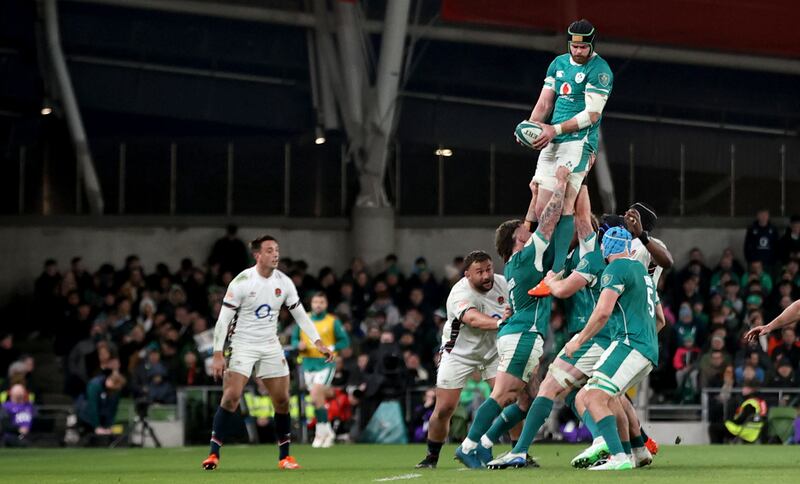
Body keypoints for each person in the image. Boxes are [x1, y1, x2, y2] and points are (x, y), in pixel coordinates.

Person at [454, 173, 564, 469]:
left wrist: (534, 192)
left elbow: (529, 224)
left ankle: (487, 444)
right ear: (517, 240)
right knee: (503, 394)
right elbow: (549, 222)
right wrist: (562, 184)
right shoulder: (528, 257)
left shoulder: (516, 260)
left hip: (520, 333)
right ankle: (468, 446)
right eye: (524, 231)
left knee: (528, 400)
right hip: (524, 334)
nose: (529, 231)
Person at [201, 235, 332, 471]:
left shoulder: (284, 282)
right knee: (231, 397)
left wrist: (318, 342)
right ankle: (213, 454)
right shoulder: (241, 282)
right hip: (243, 343)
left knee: (282, 400)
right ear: (257, 255)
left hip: (270, 344)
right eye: (270, 250)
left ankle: (285, 457)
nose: (275, 255)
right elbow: (223, 321)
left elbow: (300, 314)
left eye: (277, 250)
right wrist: (218, 353)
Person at [565, 226, 660, 471]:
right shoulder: (643, 272)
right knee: (610, 397)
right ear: (629, 247)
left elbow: (603, 311)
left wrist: (578, 340)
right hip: (646, 348)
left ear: (605, 248)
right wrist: (645, 341)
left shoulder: (615, 268)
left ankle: (617, 457)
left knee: (590, 396)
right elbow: (661, 319)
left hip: (629, 344)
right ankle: (636, 452)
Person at [524, 18, 613, 274]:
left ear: (591, 45)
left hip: (580, 142)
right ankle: (551, 258)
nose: (577, 51)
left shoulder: (601, 71)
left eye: (583, 48)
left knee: (564, 204)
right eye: (574, 47)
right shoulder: (558, 64)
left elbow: (592, 115)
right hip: (553, 139)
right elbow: (544, 104)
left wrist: (555, 129)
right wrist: (531, 128)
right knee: (543, 209)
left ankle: (557, 268)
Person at [414, 250, 509, 469]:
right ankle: (432, 456)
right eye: (479, 272)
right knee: (445, 408)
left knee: (508, 398)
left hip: (493, 350)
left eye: (488, 269)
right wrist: (500, 324)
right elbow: (472, 318)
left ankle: (518, 451)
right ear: (467, 274)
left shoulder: (502, 283)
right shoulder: (459, 292)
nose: (486, 276)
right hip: (458, 353)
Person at [291, 291, 350, 448]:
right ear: (311, 303)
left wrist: (332, 347)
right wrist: (298, 344)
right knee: (317, 399)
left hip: (325, 362)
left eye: (321, 302)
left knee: (316, 392)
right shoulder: (304, 319)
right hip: (307, 363)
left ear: (326, 304)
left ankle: (319, 432)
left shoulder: (332, 322)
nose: (318, 305)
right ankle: (327, 431)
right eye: (316, 302)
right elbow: (294, 338)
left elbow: (345, 341)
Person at [76, 371, 127, 443]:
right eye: (117, 386)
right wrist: (97, 426)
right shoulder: (94, 385)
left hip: (102, 417)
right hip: (87, 417)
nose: (117, 390)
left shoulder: (115, 391)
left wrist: (110, 425)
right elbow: (93, 407)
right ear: (111, 381)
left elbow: (113, 409)